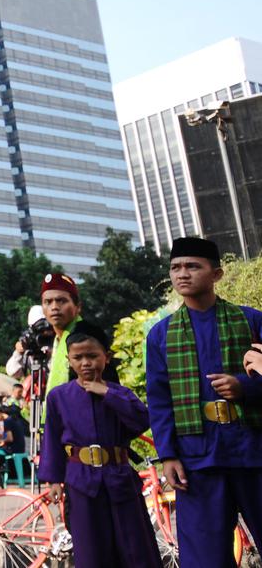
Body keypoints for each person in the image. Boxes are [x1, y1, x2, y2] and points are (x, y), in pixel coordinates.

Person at [146, 236, 262, 567]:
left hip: (252, 449)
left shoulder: (252, 320)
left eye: (192, 266)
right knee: (204, 558)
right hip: (197, 459)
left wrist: (245, 387)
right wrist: (167, 454)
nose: (182, 274)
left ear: (217, 274)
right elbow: (159, 400)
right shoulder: (161, 335)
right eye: (175, 267)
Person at [41, 326, 161, 567]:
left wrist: (106, 392)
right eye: (78, 357)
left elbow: (141, 420)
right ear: (69, 360)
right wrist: (53, 480)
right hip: (81, 483)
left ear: (106, 357)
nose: (86, 363)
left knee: (135, 549)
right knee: (91, 552)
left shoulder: (119, 393)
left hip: (121, 480)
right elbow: (52, 440)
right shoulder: (58, 396)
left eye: (92, 356)